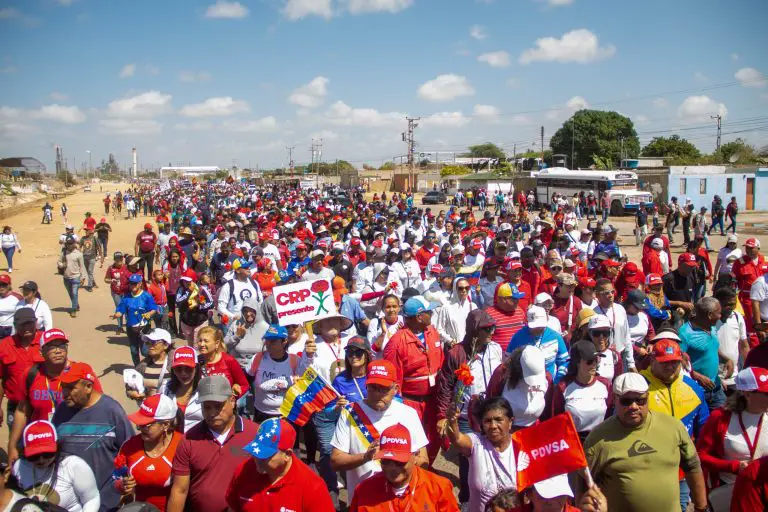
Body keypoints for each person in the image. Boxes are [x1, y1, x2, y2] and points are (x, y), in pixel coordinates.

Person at [584, 373, 708, 512]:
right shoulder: (598, 438)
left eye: (640, 400)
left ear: (648, 398)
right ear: (615, 399)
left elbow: (692, 467)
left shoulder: (673, 427)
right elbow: (584, 483)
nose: (634, 406)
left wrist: (701, 507)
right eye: (626, 401)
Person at [330, 360, 428, 503]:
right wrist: (365, 457)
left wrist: (395, 466)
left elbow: (423, 460)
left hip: (402, 501)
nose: (377, 394)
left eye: (383, 388)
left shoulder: (408, 413)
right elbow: (335, 461)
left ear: (395, 388)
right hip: (364, 501)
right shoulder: (350, 413)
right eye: (372, 388)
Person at [7, 329, 103, 466]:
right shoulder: (31, 374)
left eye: (62, 346)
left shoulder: (82, 372)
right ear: (41, 352)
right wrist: (13, 445)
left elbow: (98, 406)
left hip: (72, 444)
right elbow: (22, 411)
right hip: (40, 445)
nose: (58, 350)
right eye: (52, 347)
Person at [435, 310, 502, 506]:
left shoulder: (495, 349)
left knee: (491, 455)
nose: (491, 331)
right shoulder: (457, 353)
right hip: (465, 416)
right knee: (467, 458)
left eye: (493, 327)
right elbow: (445, 386)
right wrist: (443, 415)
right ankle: (466, 499)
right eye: (486, 328)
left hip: (491, 414)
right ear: (474, 330)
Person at [166, 375, 259, 512]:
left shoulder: (255, 434)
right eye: (207, 407)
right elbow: (180, 490)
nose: (212, 413)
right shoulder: (189, 439)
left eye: (218, 406)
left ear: (232, 401)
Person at [52, 362, 134, 512]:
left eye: (70, 388)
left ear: (88, 387)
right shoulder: (61, 411)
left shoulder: (112, 411)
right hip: (70, 504)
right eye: (63, 387)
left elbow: (130, 452)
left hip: (107, 503)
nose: (64, 393)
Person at [642, 336, 710, 510]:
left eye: (675, 362)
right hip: (647, 468)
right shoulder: (639, 387)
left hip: (682, 471)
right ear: (652, 360)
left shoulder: (693, 388)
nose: (670, 367)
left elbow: (704, 430)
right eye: (665, 362)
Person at [695, 367, 768, 511]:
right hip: (728, 490)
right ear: (747, 394)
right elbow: (700, 456)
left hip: (762, 491)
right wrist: (733, 467)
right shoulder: (720, 418)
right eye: (766, 393)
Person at [226, 417, 334, 512]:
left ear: (287, 454)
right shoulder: (243, 471)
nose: (257, 458)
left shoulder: (313, 487)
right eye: (255, 451)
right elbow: (233, 508)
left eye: (265, 455)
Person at [383, 297, 444, 463]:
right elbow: (392, 381)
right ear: (418, 317)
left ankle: (428, 468)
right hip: (411, 403)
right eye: (428, 312)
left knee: (434, 439)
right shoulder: (397, 342)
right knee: (414, 443)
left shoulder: (432, 332)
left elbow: (441, 362)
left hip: (433, 401)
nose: (431, 314)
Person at [348, 423, 459, 512]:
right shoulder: (364, 491)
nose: (392, 468)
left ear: (415, 456)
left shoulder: (439, 488)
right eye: (386, 461)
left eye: (399, 462)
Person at [444, 397, 519, 511]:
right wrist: (452, 420)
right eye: (488, 421)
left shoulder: (521, 448)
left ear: (510, 422)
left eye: (499, 419)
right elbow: (457, 438)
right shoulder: (476, 443)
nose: (493, 426)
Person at [12, 419, 100, 512]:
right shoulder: (19, 467)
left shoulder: (73, 465)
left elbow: (92, 499)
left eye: (47, 454)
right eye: (34, 456)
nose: (41, 460)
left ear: (57, 447)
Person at [114, 394, 182, 510]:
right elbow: (116, 478)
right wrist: (122, 485)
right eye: (139, 424)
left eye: (147, 425)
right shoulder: (129, 446)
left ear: (165, 424)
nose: (140, 428)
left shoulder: (182, 446)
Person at [549, 341, 613, 440]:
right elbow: (556, 420)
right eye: (589, 361)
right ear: (577, 363)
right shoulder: (563, 387)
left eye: (596, 359)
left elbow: (609, 416)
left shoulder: (606, 385)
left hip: (600, 440)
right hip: (573, 442)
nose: (594, 364)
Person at [679, 297, 730, 410]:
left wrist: (726, 359)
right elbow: (679, 364)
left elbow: (711, 347)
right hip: (696, 391)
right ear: (709, 315)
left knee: (724, 420)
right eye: (718, 313)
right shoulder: (684, 333)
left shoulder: (711, 327)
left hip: (716, 389)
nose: (720, 316)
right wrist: (698, 376)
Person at [245, 324, 300, 421]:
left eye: (273, 341)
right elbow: (246, 379)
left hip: (286, 414)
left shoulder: (295, 361)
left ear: (284, 341)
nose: (268, 344)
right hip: (261, 413)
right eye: (267, 340)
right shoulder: (258, 358)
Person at [486, 346, 550, 429]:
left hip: (535, 432)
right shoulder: (502, 374)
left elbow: (550, 411)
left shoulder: (546, 378)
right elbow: (490, 404)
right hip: (507, 433)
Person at [0, 308, 43, 432]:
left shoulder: (45, 342)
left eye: (30, 323)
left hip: (42, 405)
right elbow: (1, 378)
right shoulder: (4, 346)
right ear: (15, 325)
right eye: (23, 324)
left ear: (36, 322)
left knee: (44, 444)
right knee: (17, 444)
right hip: (16, 405)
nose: (27, 327)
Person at [506, 305, 569, 383]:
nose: (538, 329)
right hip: (523, 385)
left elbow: (565, 361)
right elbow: (508, 361)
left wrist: (556, 381)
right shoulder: (518, 337)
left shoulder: (555, 337)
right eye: (534, 326)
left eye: (541, 326)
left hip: (549, 385)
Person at [112, 274, 159, 366]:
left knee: (145, 351)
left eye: (135, 284)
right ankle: (137, 368)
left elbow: (154, 308)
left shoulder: (146, 296)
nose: (132, 286)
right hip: (131, 329)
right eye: (131, 284)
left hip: (144, 329)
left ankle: (150, 364)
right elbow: (121, 310)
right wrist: (117, 314)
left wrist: (149, 313)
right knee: (134, 351)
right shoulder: (126, 298)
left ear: (140, 284)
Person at [592, 279, 636, 372]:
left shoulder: (620, 309)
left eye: (612, 292)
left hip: (621, 356)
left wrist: (631, 362)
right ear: (597, 295)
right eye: (606, 293)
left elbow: (627, 335)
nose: (611, 295)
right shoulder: (594, 313)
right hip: (603, 356)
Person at [158, 346, 203, 432]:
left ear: (196, 368)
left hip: (198, 441)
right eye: (178, 369)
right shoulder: (165, 389)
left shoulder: (205, 389)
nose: (183, 373)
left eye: (188, 369)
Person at [196, 326, 248, 397]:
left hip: (225, 405)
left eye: (206, 341)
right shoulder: (196, 361)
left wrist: (234, 395)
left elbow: (244, 385)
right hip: (204, 405)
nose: (202, 344)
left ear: (216, 343)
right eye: (200, 341)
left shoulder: (228, 360)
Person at [127, 329, 174, 401]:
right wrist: (132, 393)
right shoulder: (142, 366)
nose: (149, 345)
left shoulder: (175, 365)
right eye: (147, 342)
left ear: (166, 345)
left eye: (154, 342)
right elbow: (129, 388)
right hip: (149, 410)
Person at [224, 297, 268, 371]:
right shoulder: (236, 324)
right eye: (245, 311)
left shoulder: (265, 327)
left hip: (257, 370)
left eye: (251, 311)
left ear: (257, 311)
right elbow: (224, 345)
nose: (248, 314)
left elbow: (268, 351)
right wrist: (237, 336)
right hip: (237, 369)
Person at [175, 269, 214, 345]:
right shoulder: (181, 289)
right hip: (186, 322)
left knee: (198, 345)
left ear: (194, 281)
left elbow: (211, 303)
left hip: (200, 322)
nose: (186, 283)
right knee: (190, 344)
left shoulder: (201, 289)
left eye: (188, 281)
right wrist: (188, 293)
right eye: (184, 281)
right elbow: (178, 301)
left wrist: (200, 307)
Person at [484, 282, 526, 352]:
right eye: (514, 299)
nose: (518, 301)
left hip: (519, 356)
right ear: (503, 299)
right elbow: (485, 340)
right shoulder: (488, 314)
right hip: (499, 358)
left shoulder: (520, 311)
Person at [58, 238, 85, 318]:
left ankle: (73, 310)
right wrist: (62, 265)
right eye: (68, 244)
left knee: (74, 293)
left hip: (75, 277)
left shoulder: (79, 254)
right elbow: (59, 261)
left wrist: (83, 278)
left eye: (70, 243)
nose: (69, 245)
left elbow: (82, 267)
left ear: (74, 244)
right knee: (71, 294)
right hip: (66, 277)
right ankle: (76, 304)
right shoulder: (64, 252)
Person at [79, 228, 104, 292]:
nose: (86, 232)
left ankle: (89, 286)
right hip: (85, 257)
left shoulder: (94, 238)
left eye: (87, 230)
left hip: (92, 257)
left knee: (90, 271)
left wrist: (101, 257)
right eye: (85, 231)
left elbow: (99, 248)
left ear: (90, 231)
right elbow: (80, 247)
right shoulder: (83, 238)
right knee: (88, 272)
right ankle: (93, 283)